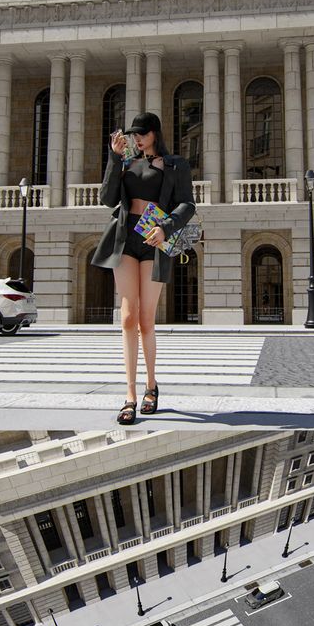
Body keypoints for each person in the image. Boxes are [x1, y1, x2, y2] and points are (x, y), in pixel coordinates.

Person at [91, 112, 196, 424]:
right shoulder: (126, 163)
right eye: (134, 134)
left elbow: (187, 204)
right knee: (127, 317)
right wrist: (114, 158)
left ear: (155, 133)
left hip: (153, 239)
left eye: (142, 134)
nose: (137, 139)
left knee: (146, 320)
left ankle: (152, 385)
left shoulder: (176, 164)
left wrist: (166, 226)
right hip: (124, 238)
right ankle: (130, 395)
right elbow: (107, 199)